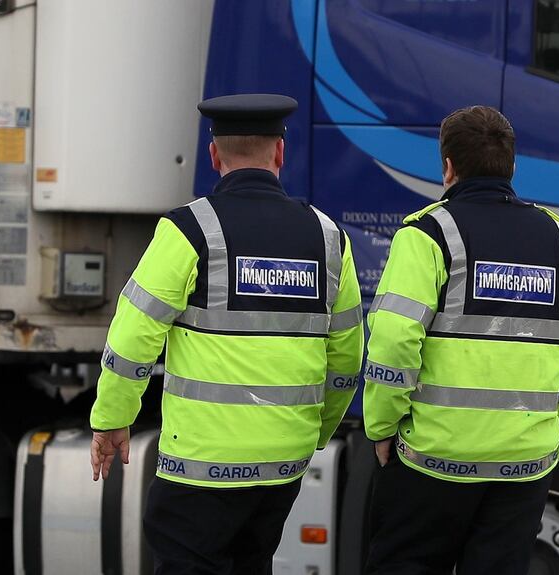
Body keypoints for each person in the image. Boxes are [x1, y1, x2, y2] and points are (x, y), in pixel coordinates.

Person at [88, 94, 364, 574]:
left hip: (201, 465)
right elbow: (346, 357)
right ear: (280, 152)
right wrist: (317, 431)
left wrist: (112, 418)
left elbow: (133, 337)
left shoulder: (188, 230)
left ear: (215, 156)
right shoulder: (329, 238)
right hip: (283, 461)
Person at [362, 106, 559, 575]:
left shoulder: (429, 233)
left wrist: (383, 427)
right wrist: (556, 439)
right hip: (523, 468)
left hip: (434, 461)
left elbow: (393, 341)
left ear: (447, 166)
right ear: (511, 167)